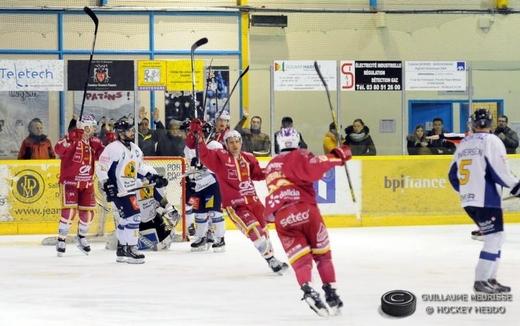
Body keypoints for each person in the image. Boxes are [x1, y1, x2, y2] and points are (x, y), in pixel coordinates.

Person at [264, 127, 350, 316]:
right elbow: (315, 167)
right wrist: (339, 155)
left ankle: (307, 289)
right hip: (305, 210)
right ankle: (331, 293)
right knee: (322, 257)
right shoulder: (300, 155)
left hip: (282, 217)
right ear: (297, 141)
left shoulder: (271, 164)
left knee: (301, 262)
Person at [187, 120, 288, 274]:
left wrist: (276, 170)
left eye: (237, 141)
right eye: (231, 142)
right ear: (226, 144)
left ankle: (272, 257)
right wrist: (198, 135)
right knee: (254, 231)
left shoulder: (248, 157)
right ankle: (271, 260)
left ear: (241, 142)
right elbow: (204, 154)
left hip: (254, 203)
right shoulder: (220, 157)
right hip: (236, 205)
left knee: (264, 232)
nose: (234, 145)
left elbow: (258, 174)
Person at [448, 109, 517, 294]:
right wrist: (516, 185)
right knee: (494, 237)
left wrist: (467, 191)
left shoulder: (464, 143)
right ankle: (481, 280)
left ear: (472, 124)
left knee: (496, 237)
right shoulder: (493, 141)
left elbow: (452, 175)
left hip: (469, 201)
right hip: (487, 200)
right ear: (491, 124)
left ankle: (491, 279)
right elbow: (499, 170)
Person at [96, 119, 165, 264]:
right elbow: (101, 167)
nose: (132, 132)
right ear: (120, 133)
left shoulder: (135, 149)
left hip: (130, 189)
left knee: (126, 219)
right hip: (118, 190)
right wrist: (106, 183)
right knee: (134, 217)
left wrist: (153, 177)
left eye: (132, 130)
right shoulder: (113, 148)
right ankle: (131, 248)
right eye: (129, 130)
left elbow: (138, 169)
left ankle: (122, 248)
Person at [53, 114, 105, 256]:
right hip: (70, 182)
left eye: (94, 127)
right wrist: (70, 138)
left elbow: (104, 154)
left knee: (87, 214)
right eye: (91, 127)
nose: (93, 130)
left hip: (87, 183)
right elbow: (57, 150)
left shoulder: (94, 142)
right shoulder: (71, 139)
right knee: (69, 212)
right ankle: (61, 239)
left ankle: (81, 237)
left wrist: (110, 138)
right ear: (84, 126)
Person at [184, 124, 226, 252]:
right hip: (198, 184)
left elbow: (220, 165)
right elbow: (190, 166)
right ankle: (201, 238)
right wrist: (190, 178)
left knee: (214, 212)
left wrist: (204, 163)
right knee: (199, 213)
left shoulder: (215, 145)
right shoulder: (189, 148)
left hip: (212, 183)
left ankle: (220, 239)